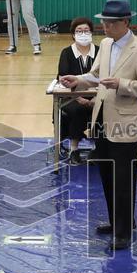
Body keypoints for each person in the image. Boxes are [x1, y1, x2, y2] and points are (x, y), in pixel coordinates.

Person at [60, 0, 137, 251]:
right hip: (101, 118)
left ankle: (124, 232)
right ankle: (117, 222)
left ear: (125, 22)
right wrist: (77, 80)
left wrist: (122, 85)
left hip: (125, 123)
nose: (104, 26)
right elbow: (96, 75)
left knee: (123, 177)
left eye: (110, 23)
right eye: (103, 21)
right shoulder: (105, 45)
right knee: (106, 173)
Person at [57, 17, 99, 166]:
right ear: (73, 35)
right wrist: (79, 98)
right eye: (79, 31)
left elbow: (106, 76)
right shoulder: (67, 53)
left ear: (92, 33)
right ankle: (74, 150)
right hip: (72, 98)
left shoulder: (100, 52)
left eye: (86, 31)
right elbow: (63, 78)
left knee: (103, 108)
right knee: (79, 110)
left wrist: (95, 99)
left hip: (98, 97)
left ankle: (98, 148)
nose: (83, 34)